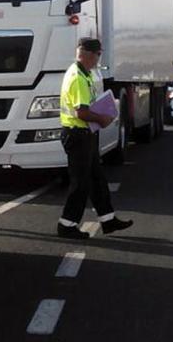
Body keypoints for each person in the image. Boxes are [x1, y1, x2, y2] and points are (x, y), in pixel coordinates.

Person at [57, 37, 133, 239]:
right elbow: (81, 112)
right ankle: (67, 225)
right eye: (99, 54)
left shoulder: (83, 73)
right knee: (80, 183)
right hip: (77, 134)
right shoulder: (78, 78)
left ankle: (108, 220)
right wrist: (103, 118)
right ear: (89, 54)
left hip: (84, 134)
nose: (99, 59)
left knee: (96, 179)